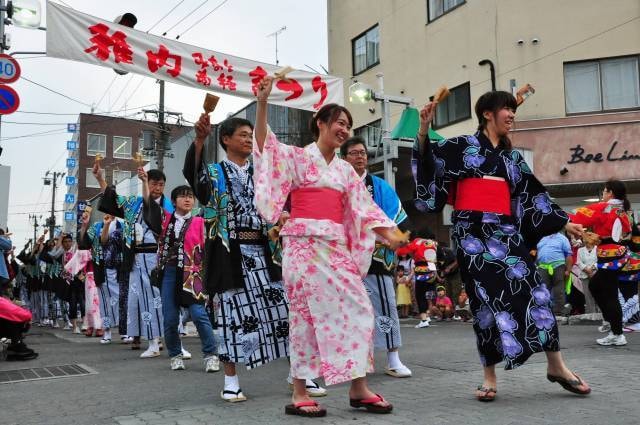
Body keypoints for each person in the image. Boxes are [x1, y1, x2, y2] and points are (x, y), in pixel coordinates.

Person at [413, 90, 590, 401]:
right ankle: (489, 377)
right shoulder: (461, 147)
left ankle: (557, 366)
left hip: (507, 233)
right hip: (471, 236)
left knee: (537, 292)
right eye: (505, 109)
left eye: (513, 109)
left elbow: (533, 197)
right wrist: (424, 129)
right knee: (484, 305)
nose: (511, 114)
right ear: (487, 114)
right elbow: (428, 160)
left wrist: (564, 222)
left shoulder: (511, 158)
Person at [253, 76, 408, 417]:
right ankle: (299, 391)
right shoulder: (296, 158)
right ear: (320, 123)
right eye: (339, 122)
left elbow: (363, 210)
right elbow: (266, 147)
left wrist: (392, 234)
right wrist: (263, 105)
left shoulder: (345, 172)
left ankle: (358, 387)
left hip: (335, 248)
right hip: (303, 247)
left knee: (359, 308)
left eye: (348, 125)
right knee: (305, 317)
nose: (344, 129)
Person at [183, 114, 295, 402]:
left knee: (283, 311)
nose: (247, 139)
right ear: (226, 139)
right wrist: (199, 140)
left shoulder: (261, 173)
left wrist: (282, 217)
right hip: (230, 256)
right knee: (231, 316)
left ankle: (299, 375)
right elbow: (194, 176)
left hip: (265, 252)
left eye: (250, 135)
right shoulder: (214, 172)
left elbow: (281, 201)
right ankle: (230, 380)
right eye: (242, 134)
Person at [341, 135, 412, 379]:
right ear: (343, 158)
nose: (360, 156)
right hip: (344, 255)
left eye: (363, 153)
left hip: (376, 254)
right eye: (354, 153)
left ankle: (393, 358)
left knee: (385, 304)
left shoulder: (379, 186)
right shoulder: (336, 185)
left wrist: (394, 237)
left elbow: (395, 219)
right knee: (346, 309)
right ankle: (352, 360)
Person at [142, 179, 220, 373]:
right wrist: (144, 182)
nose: (188, 200)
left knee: (199, 314)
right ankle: (175, 355)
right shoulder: (164, 219)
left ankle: (211, 355)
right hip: (168, 272)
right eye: (183, 196)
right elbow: (149, 206)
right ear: (174, 200)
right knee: (169, 318)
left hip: (192, 273)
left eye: (190, 197)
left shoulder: (201, 222)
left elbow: (211, 249)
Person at [96, 162, 171, 357]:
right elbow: (112, 199)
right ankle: (149, 340)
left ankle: (163, 340)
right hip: (134, 257)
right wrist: (100, 178)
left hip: (156, 256)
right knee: (137, 301)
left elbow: (151, 209)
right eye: (153, 183)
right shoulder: (132, 203)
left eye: (160, 184)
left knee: (157, 298)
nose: (157, 188)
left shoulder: (167, 205)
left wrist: (145, 184)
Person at [569, 179, 631, 346]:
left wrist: (564, 219)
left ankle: (617, 332)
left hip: (611, 258)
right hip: (617, 256)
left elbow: (578, 214)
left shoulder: (606, 207)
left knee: (609, 294)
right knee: (596, 286)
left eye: (604, 191)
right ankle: (612, 323)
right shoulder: (622, 210)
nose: (603, 194)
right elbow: (627, 232)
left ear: (610, 192)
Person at [78, 214, 123, 344]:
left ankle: (124, 331)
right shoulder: (97, 226)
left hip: (119, 268)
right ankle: (107, 332)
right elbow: (83, 243)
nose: (108, 211)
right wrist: (85, 225)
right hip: (101, 268)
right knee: (104, 302)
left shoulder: (122, 225)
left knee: (122, 300)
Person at [396, 235, 439, 328]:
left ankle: (423, 320)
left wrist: (404, 244)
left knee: (420, 295)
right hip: (432, 270)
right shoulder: (433, 243)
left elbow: (402, 251)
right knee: (429, 296)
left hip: (421, 270)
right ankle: (427, 316)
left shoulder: (417, 242)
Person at [536, 232, 574, 315]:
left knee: (559, 289)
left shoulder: (562, 238)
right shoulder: (541, 237)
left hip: (558, 265)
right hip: (543, 267)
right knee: (543, 289)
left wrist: (568, 270)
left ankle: (559, 311)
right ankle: (544, 311)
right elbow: (537, 252)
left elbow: (568, 254)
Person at [575, 232, 599, 314]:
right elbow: (578, 262)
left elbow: (600, 261)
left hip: (596, 275)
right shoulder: (580, 250)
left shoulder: (598, 249)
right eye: (585, 242)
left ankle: (600, 312)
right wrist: (587, 270)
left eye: (588, 242)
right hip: (584, 275)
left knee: (598, 293)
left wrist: (592, 268)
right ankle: (591, 313)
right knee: (587, 295)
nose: (586, 243)